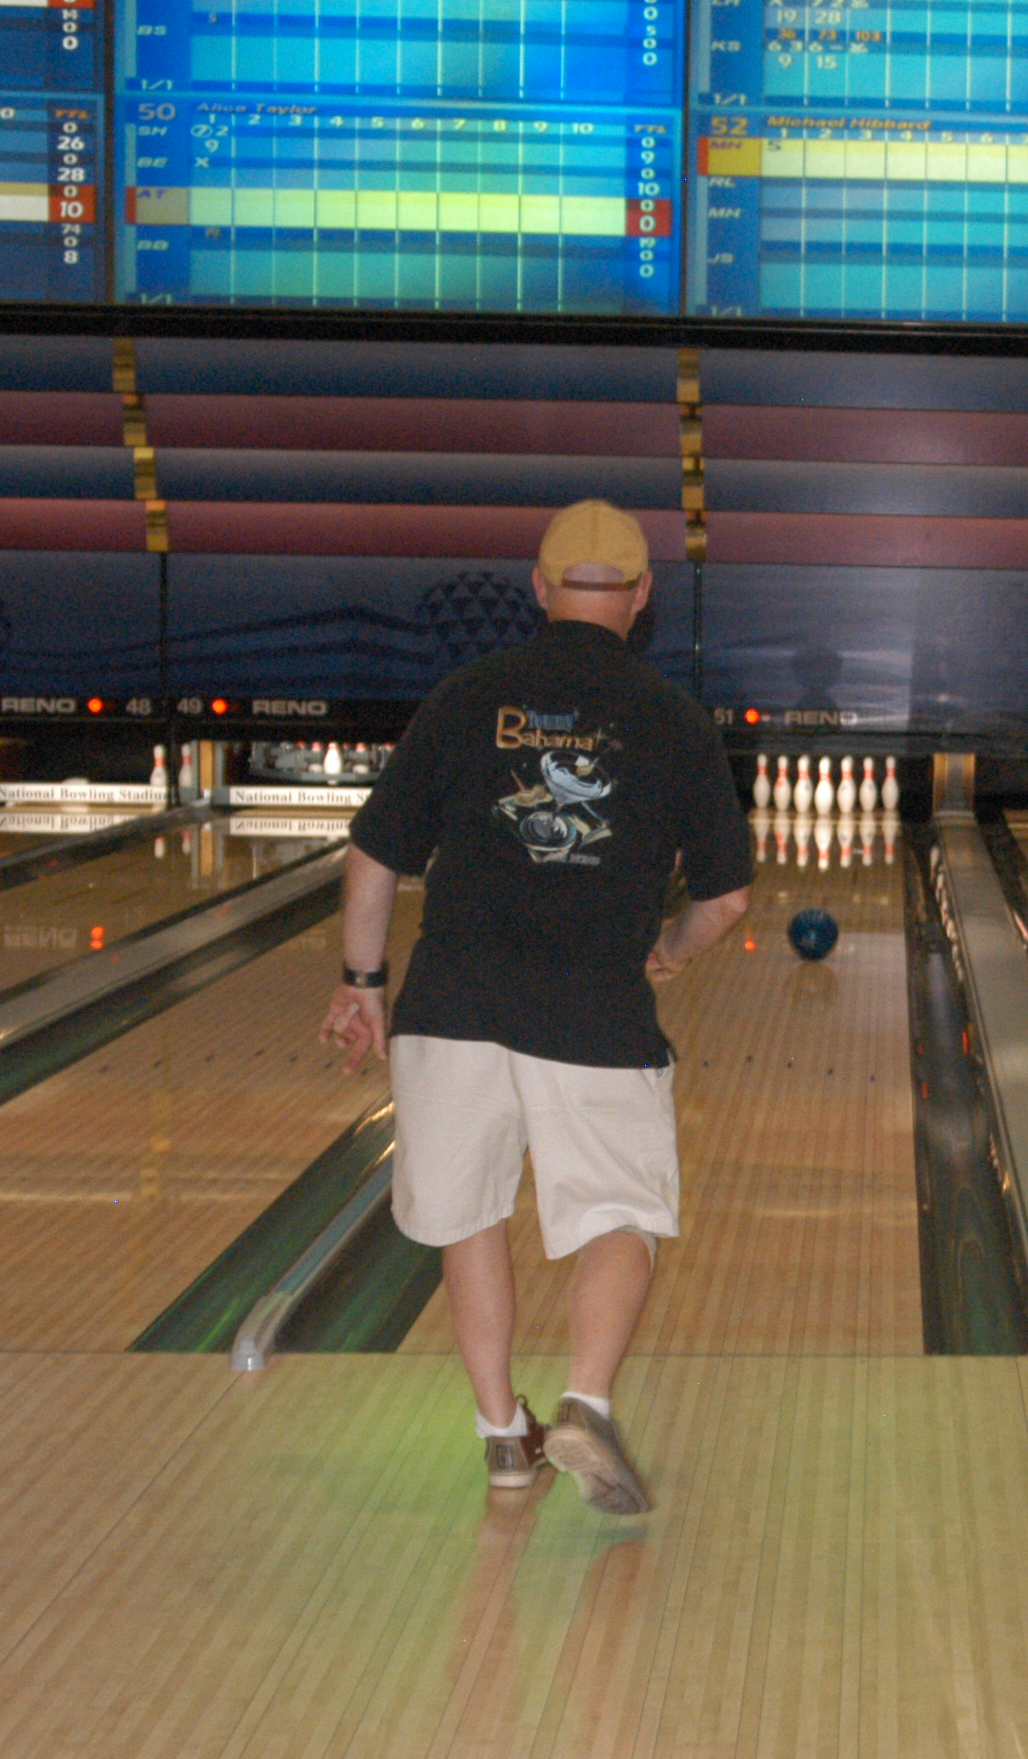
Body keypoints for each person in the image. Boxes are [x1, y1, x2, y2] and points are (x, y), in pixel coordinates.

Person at [319, 499, 752, 1515]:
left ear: (539, 587)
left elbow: (375, 856)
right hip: (592, 1011)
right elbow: (726, 899)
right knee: (621, 1213)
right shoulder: (672, 717)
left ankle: (500, 1436)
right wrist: (670, 949)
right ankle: (584, 1402)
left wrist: (362, 983)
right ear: (643, 595)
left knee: (469, 1217)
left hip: (449, 1007)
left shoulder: (464, 696)